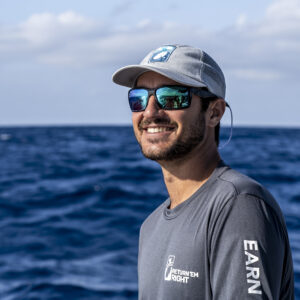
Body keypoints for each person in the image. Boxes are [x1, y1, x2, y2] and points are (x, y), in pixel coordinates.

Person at [112, 45, 294, 299]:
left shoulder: (238, 205)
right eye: (139, 98)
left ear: (214, 112)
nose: (150, 112)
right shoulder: (150, 227)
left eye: (172, 96)